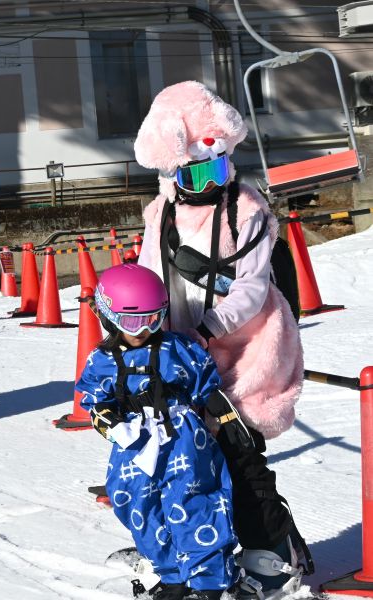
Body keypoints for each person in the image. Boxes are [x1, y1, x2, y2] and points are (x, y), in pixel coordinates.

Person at [134, 81, 311, 599]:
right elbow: (150, 273)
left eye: (221, 167)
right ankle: (190, 550)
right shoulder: (161, 214)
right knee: (179, 455)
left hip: (247, 349)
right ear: (175, 172)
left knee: (239, 449)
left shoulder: (248, 209)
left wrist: (207, 327)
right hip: (182, 350)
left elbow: (255, 289)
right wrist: (144, 328)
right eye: (199, 172)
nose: (213, 181)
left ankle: (272, 552)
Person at [77, 263, 250, 600]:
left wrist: (227, 422)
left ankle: (208, 581)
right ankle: (171, 573)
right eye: (131, 322)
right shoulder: (102, 360)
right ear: (109, 315)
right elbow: (93, 401)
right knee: (136, 503)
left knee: (193, 501)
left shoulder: (178, 348)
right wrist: (112, 425)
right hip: (134, 442)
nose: (142, 329)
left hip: (184, 438)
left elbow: (207, 386)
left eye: (152, 319)